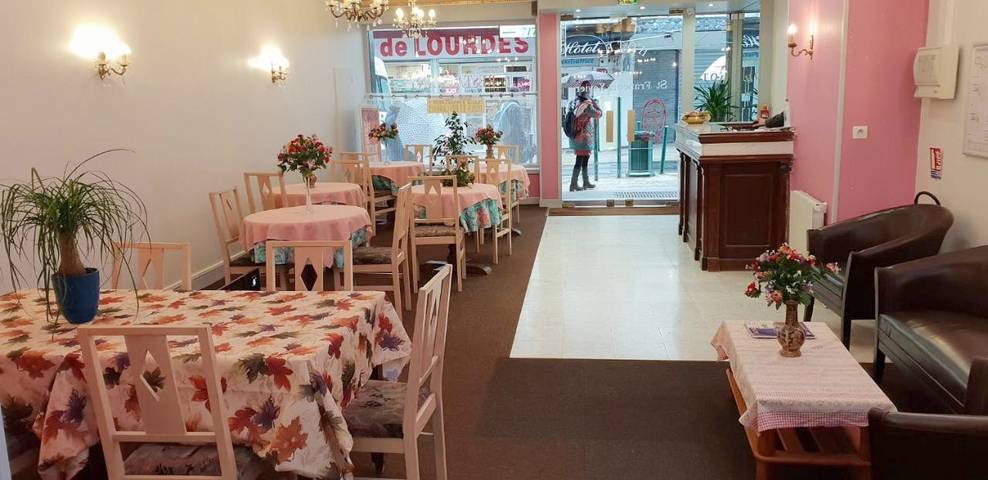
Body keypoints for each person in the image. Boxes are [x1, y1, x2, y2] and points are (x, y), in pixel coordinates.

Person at [568, 81, 602, 191]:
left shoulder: (575, 101)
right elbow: (598, 114)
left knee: (583, 159)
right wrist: (593, 104)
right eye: (587, 88)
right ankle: (574, 183)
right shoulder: (586, 103)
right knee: (581, 159)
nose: (588, 90)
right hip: (583, 136)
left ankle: (584, 182)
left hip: (577, 135)